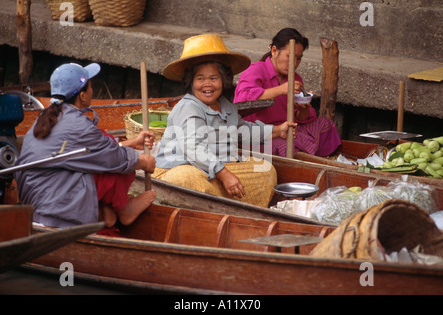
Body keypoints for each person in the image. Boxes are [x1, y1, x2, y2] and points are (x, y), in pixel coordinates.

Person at [153, 34, 297, 208]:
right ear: (191, 82)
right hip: (178, 168)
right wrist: (224, 174)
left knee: (265, 171)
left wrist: (277, 131)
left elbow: (242, 130)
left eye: (213, 78)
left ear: (223, 80)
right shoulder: (189, 107)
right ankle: (216, 204)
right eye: (200, 79)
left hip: (213, 167)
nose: (207, 84)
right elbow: (193, 148)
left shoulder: (226, 106)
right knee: (186, 179)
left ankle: (222, 205)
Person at [15, 63, 157, 230]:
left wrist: (131, 143)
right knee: (121, 164)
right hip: (54, 211)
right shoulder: (77, 125)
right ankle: (122, 210)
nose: (92, 91)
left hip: (36, 203)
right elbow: (113, 157)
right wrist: (144, 162)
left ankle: (108, 211)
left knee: (108, 144)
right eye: (91, 87)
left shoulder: (46, 116)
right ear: (82, 96)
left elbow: (88, 149)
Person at [234, 28, 341, 157]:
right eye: (290, 57)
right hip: (261, 133)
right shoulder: (256, 70)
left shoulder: (295, 78)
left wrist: (303, 110)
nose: (295, 63)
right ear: (274, 51)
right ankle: (304, 163)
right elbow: (243, 100)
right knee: (285, 147)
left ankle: (322, 159)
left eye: (299, 59)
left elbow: (299, 117)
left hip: (287, 128)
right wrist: (281, 90)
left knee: (325, 125)